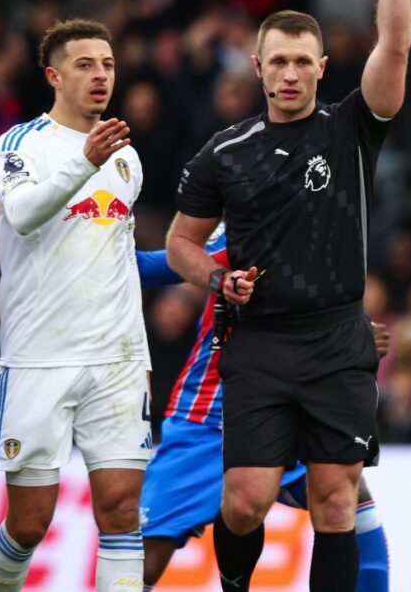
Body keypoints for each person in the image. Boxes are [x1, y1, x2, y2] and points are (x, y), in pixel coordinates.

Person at [164, 0, 411, 591]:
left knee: (335, 501)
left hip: (337, 338)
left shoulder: (350, 128)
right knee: (243, 502)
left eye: (304, 61)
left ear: (323, 67)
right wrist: (215, 280)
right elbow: (183, 244)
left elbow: (395, 43)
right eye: (279, 62)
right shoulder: (223, 152)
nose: (291, 74)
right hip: (259, 343)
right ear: (258, 67)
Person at [0, 19, 150, 591]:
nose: (100, 74)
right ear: (54, 76)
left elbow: (116, 253)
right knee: (30, 523)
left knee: (123, 513)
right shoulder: (20, 145)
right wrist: (84, 159)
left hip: (118, 356)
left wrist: (194, 268)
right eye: (84, 65)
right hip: (39, 357)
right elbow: (23, 213)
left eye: (106, 63)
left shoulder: (126, 158)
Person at [132, 231, 391, 591]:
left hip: (288, 408)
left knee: (350, 499)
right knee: (145, 555)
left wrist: (356, 342)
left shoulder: (329, 234)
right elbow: (148, 266)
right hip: (208, 418)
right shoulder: (246, 230)